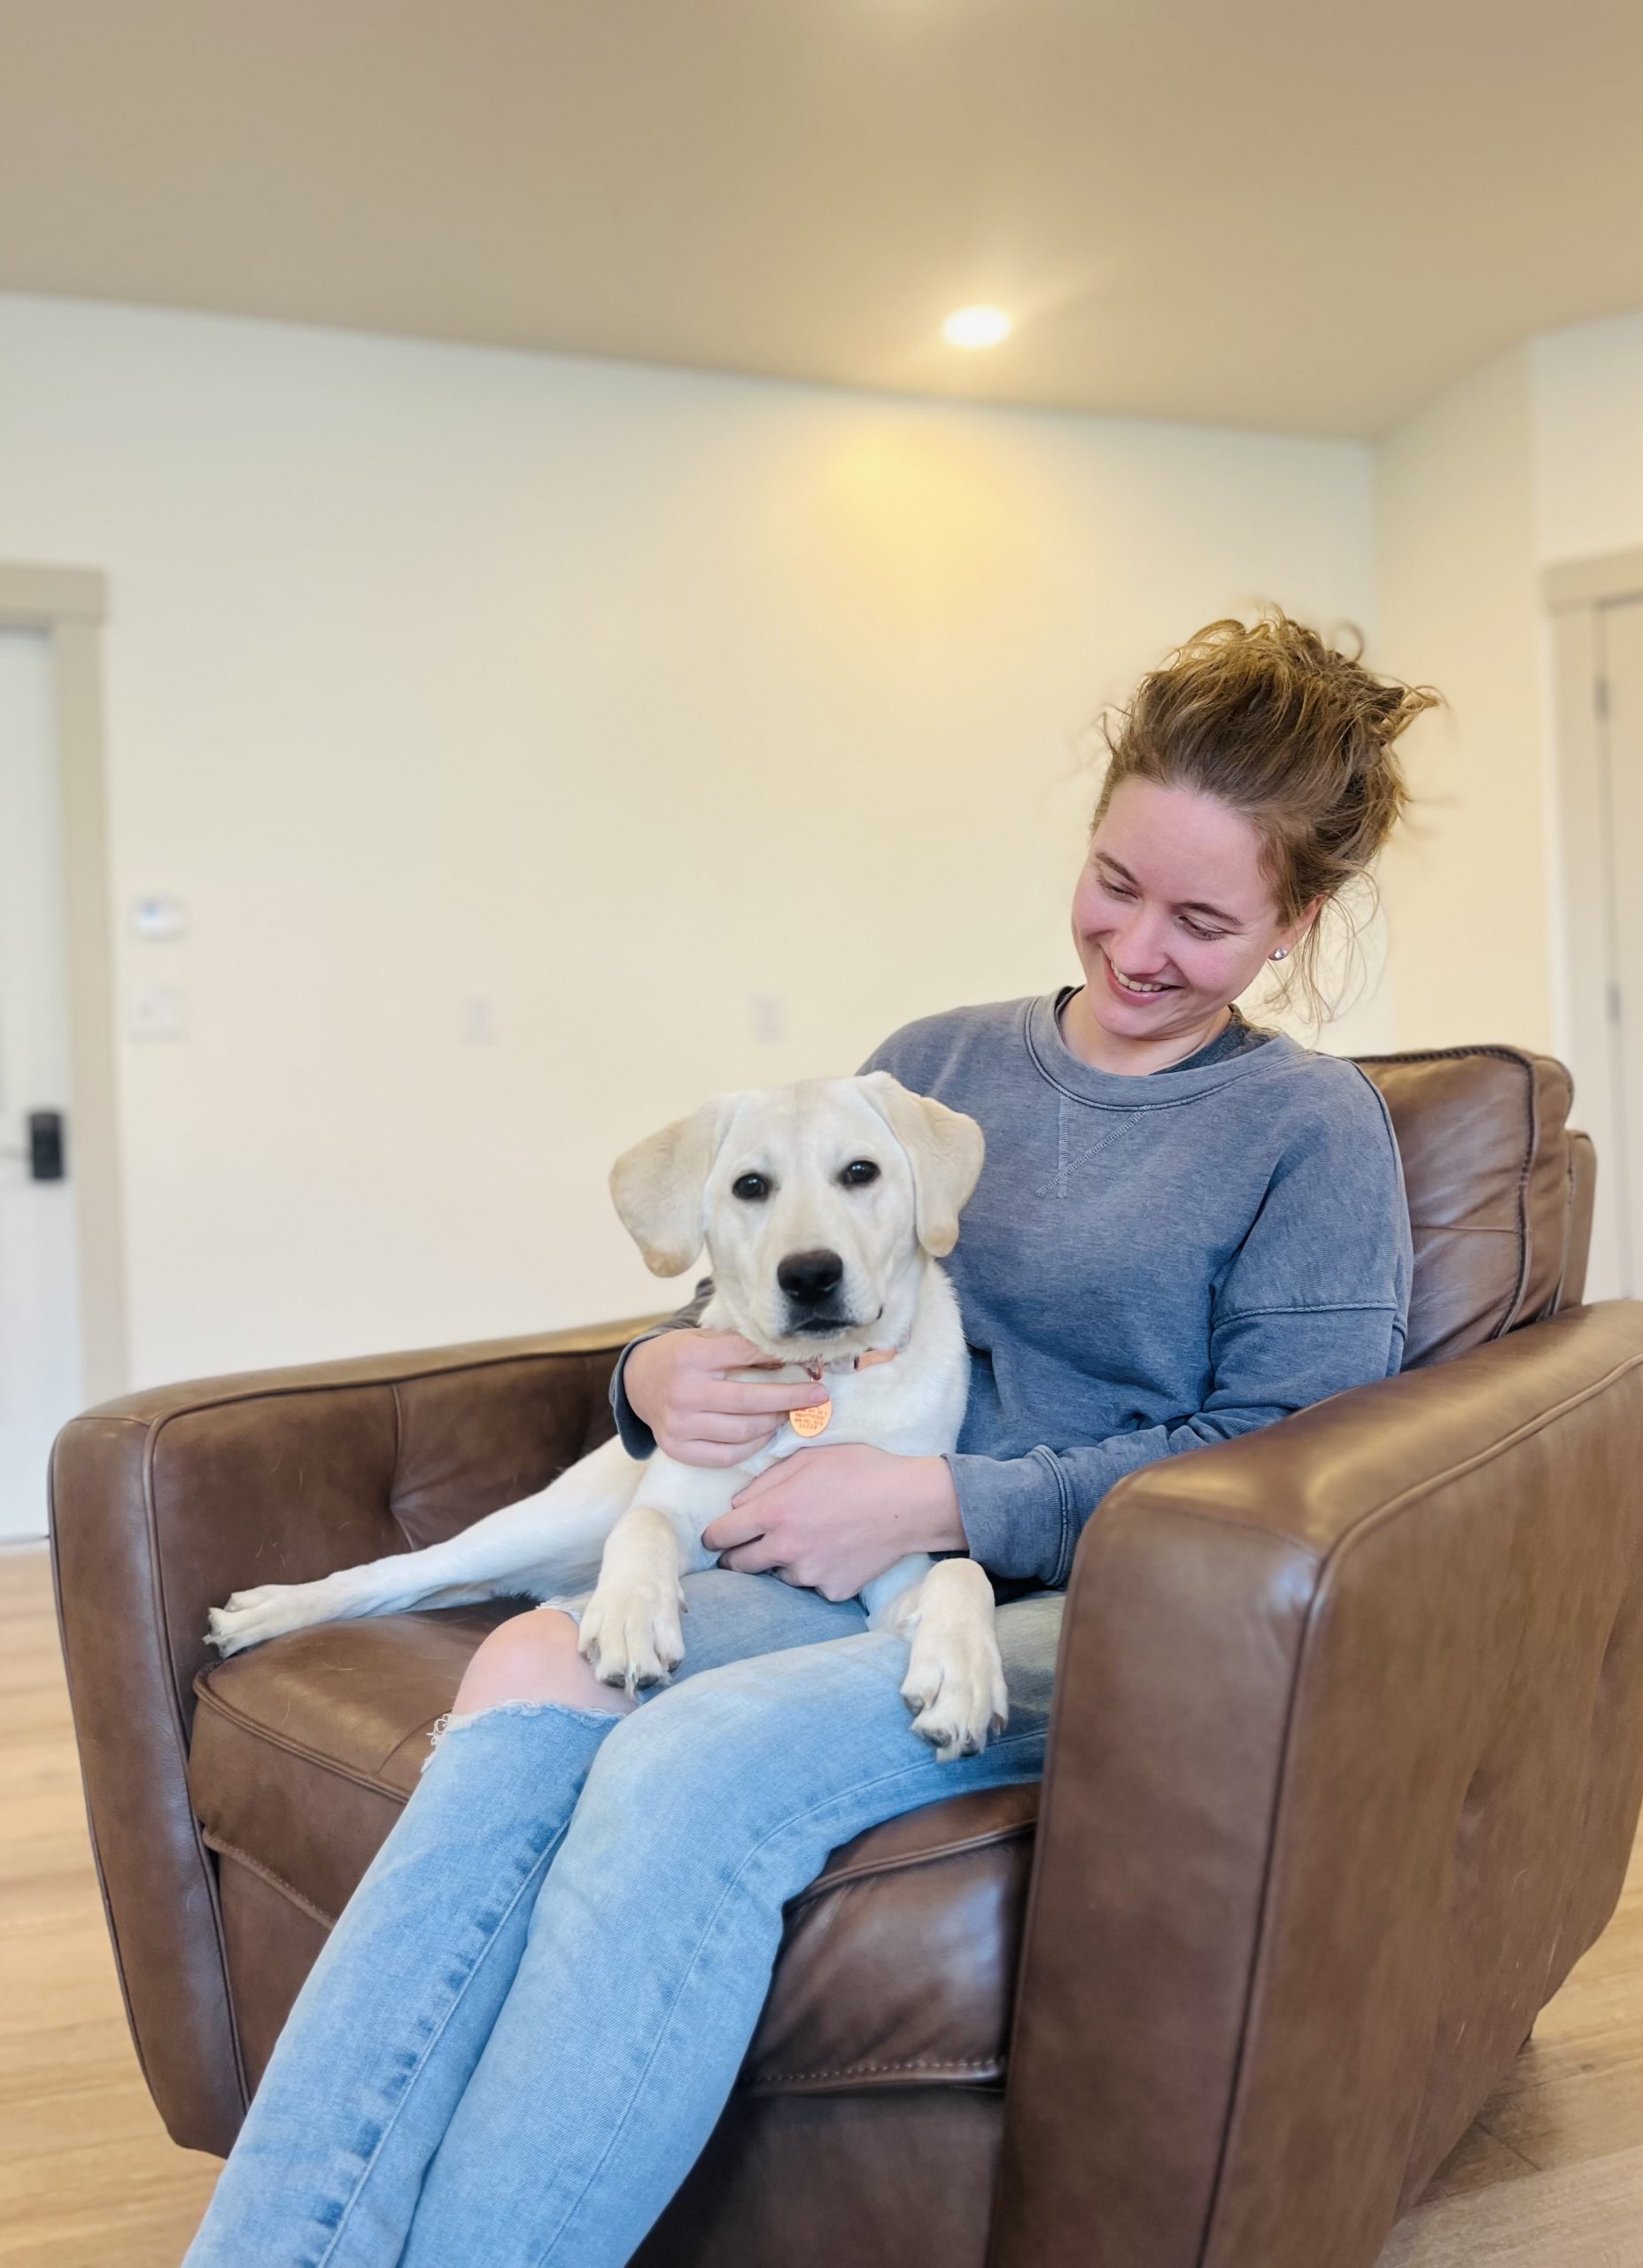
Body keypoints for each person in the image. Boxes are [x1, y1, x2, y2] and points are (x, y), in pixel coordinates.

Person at [183, 610, 1432, 2267]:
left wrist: (951, 1499)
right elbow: (769, 1280)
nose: (1138, 947)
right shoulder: (929, 1065)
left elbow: (1303, 1468)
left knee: (692, 1766)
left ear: (1297, 922)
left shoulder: (1307, 1133)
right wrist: (647, 1383)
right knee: (535, 1671)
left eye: (1204, 921)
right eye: (1115, 883)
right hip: (858, 1547)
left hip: (1124, 1606)